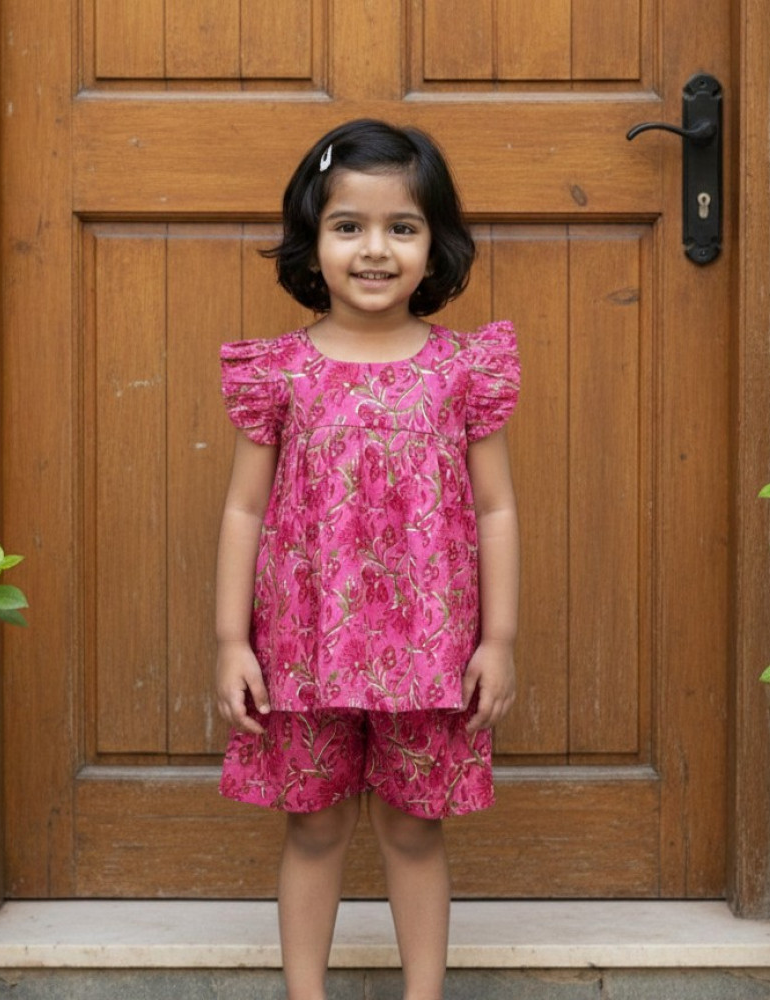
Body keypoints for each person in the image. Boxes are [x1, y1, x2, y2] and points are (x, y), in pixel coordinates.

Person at [215, 118, 521, 1000]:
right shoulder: (278, 372)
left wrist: (496, 639)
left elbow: (497, 508)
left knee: (416, 828)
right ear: (313, 240)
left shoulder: (466, 371)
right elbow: (243, 509)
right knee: (312, 827)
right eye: (349, 226)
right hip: (303, 650)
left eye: (403, 227)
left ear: (438, 245)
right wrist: (231, 642)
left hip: (432, 652)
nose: (375, 250)